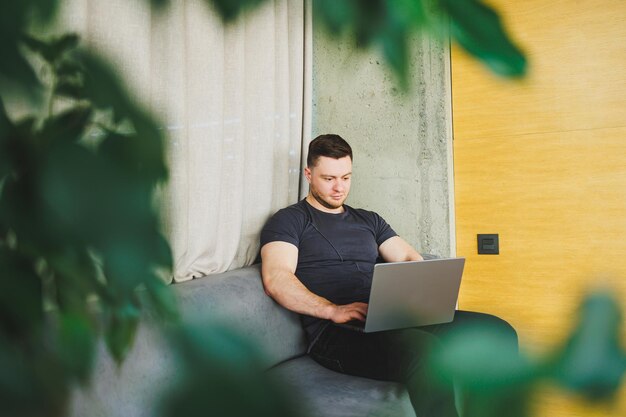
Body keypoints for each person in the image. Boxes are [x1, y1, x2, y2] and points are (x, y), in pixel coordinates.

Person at [260, 134, 517, 417]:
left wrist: (423, 296)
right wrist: (332, 310)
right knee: (424, 351)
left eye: (346, 178)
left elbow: (408, 257)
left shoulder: (369, 219)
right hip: (335, 332)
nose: (338, 188)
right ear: (309, 174)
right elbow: (277, 278)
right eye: (329, 178)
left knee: (497, 332)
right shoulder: (289, 220)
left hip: (389, 316)